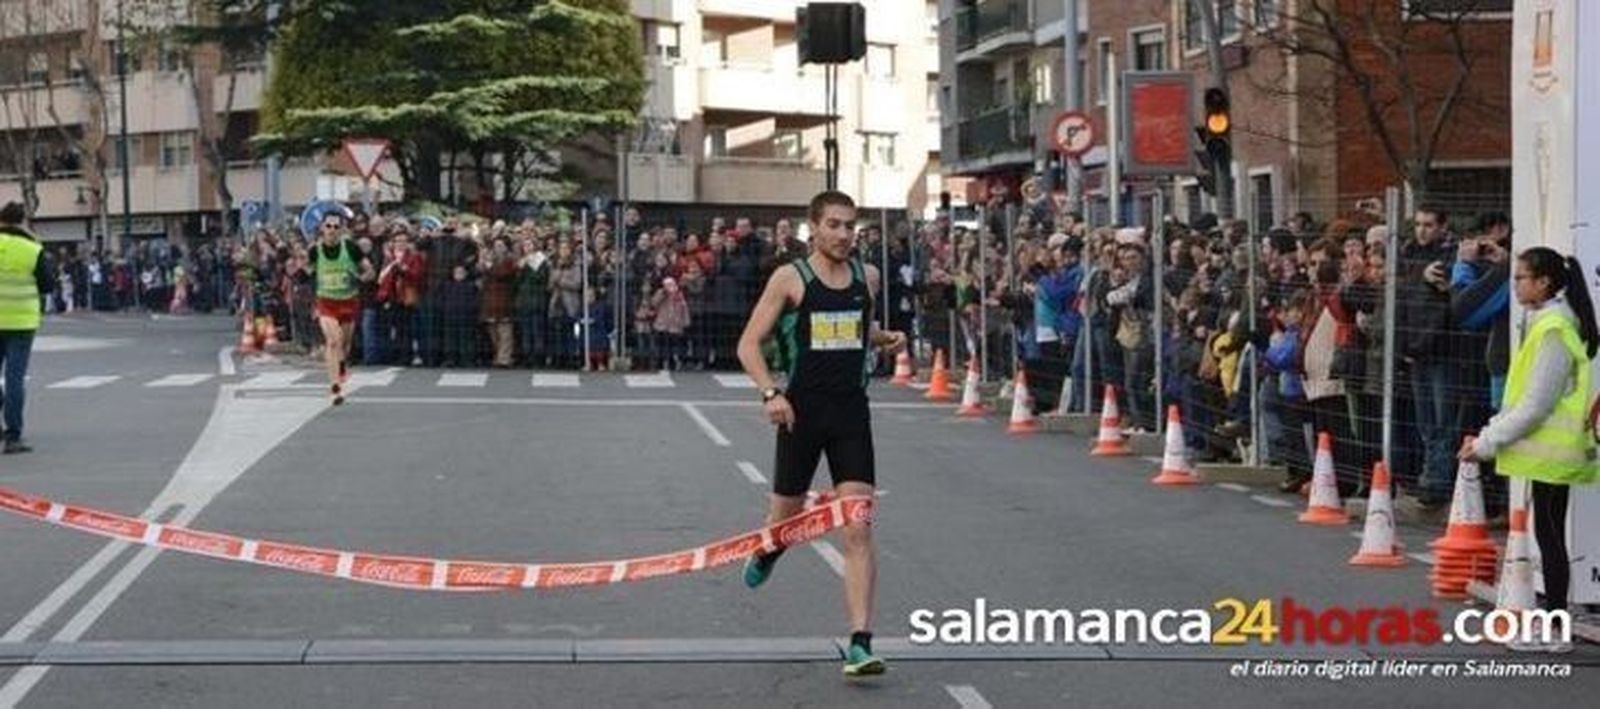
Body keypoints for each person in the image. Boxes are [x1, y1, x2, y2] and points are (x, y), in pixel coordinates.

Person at [735, 191, 905, 677]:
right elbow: (749, 344)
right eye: (834, 225)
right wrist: (771, 394)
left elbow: (857, 328)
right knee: (784, 520)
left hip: (852, 414)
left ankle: (859, 640)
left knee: (858, 526)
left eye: (851, 226)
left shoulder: (867, 278)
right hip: (801, 414)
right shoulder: (790, 278)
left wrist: (885, 337)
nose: (844, 234)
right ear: (814, 228)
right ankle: (770, 549)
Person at [1459, 247, 1598, 653]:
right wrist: (1490, 435)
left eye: (1520, 277)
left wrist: (1486, 443)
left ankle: (1555, 630)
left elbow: (1536, 404)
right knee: (1549, 535)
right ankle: (1553, 624)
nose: (1515, 284)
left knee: (1551, 538)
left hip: (1552, 454)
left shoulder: (1553, 328)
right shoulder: (1549, 322)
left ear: (1544, 282)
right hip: (1549, 454)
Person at [0, 202, 54, 453]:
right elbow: (47, 285)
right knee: (14, 379)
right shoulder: (32, 249)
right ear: (22, 220)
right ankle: (13, 435)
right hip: (21, 323)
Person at [309, 211, 360, 404]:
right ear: (322, 228)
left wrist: (361, 275)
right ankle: (335, 387)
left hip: (348, 301)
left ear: (342, 229)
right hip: (326, 301)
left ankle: (342, 366)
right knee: (333, 341)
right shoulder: (315, 250)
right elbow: (307, 270)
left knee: (344, 345)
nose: (332, 230)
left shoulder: (351, 248)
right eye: (328, 226)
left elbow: (367, 269)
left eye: (336, 227)